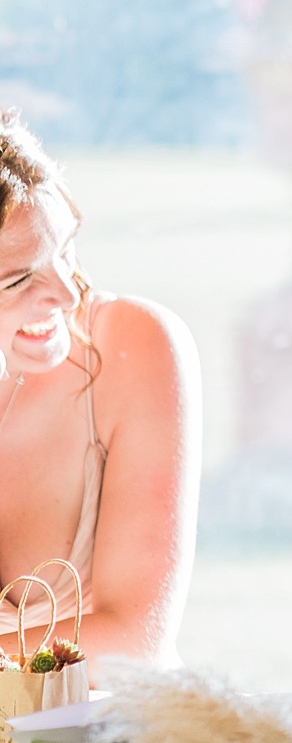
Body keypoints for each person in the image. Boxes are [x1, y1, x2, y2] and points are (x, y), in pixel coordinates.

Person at [0, 110, 201, 673]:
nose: (65, 294)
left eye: (64, 250)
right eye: (19, 279)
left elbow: (137, 635)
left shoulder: (134, 344)